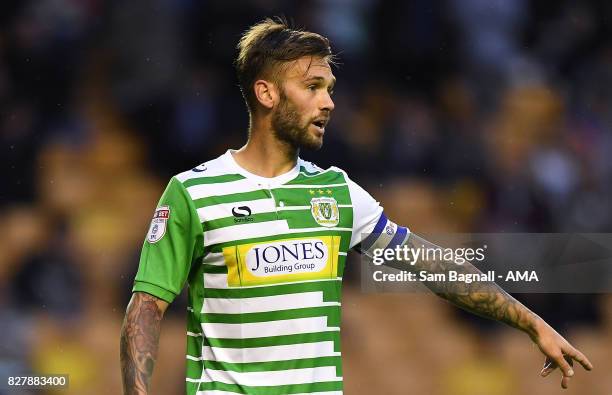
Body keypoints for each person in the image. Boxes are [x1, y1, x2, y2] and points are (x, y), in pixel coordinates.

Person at [120, 17, 593, 395]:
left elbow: (430, 265)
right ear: (266, 93)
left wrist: (531, 323)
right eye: (312, 87)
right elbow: (145, 308)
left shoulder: (337, 192)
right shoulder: (193, 192)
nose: (328, 103)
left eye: (330, 88)